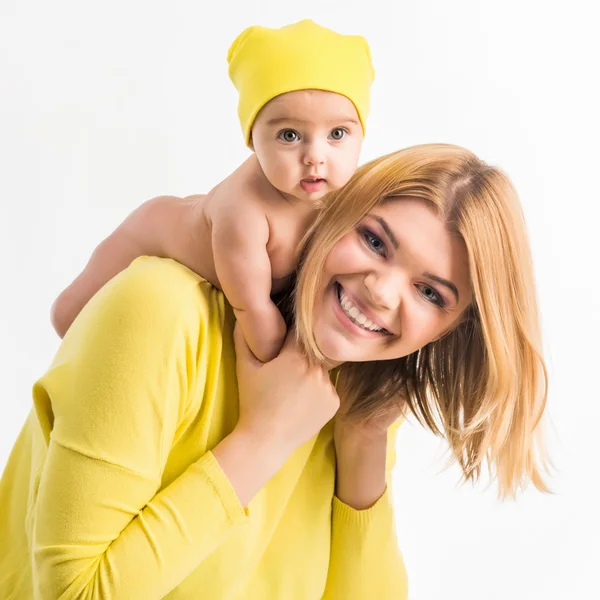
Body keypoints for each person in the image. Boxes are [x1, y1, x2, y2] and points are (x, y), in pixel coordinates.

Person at [0, 144, 549, 599]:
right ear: (330, 215)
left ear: (450, 328)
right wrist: (262, 439)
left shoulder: (352, 396)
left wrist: (364, 442)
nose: (381, 293)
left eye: (429, 292)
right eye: (374, 241)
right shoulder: (159, 310)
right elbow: (74, 592)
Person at [50, 19, 374, 362]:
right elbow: (253, 309)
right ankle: (65, 318)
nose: (315, 158)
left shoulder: (344, 192)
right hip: (154, 231)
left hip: (197, 225)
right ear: (252, 140)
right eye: (289, 136)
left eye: (337, 134)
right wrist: (288, 369)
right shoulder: (244, 213)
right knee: (71, 316)